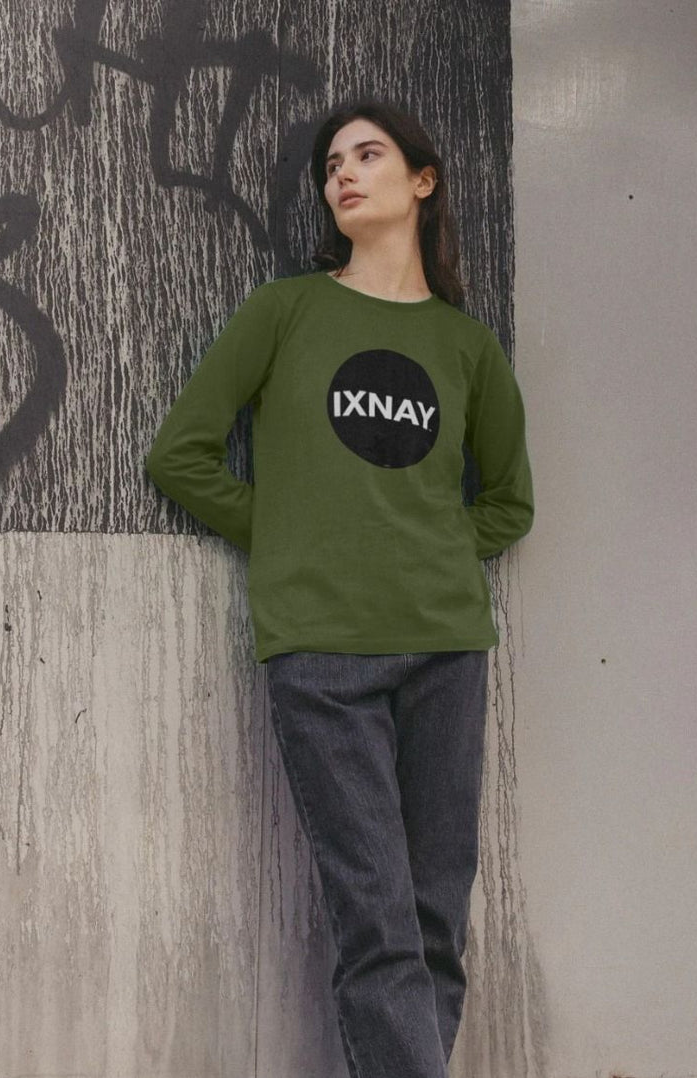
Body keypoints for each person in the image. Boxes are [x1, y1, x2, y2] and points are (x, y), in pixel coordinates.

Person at [146, 97, 534, 1078]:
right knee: (379, 922)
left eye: (368, 154)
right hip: (320, 655)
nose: (343, 175)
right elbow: (180, 455)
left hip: (445, 647)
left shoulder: (467, 347)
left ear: (422, 179)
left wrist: (438, 555)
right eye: (330, 165)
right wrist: (287, 538)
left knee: (435, 920)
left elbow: (508, 503)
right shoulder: (284, 311)